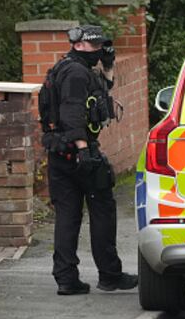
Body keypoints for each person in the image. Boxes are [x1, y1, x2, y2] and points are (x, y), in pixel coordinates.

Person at [43, 24, 137, 295]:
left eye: (100, 47)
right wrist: (83, 149)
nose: (97, 51)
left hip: (59, 153)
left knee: (68, 216)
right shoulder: (74, 73)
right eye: (94, 47)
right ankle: (109, 275)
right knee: (103, 212)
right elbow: (72, 113)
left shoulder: (67, 67)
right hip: (78, 154)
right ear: (79, 45)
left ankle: (66, 279)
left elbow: (101, 90)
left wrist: (108, 65)